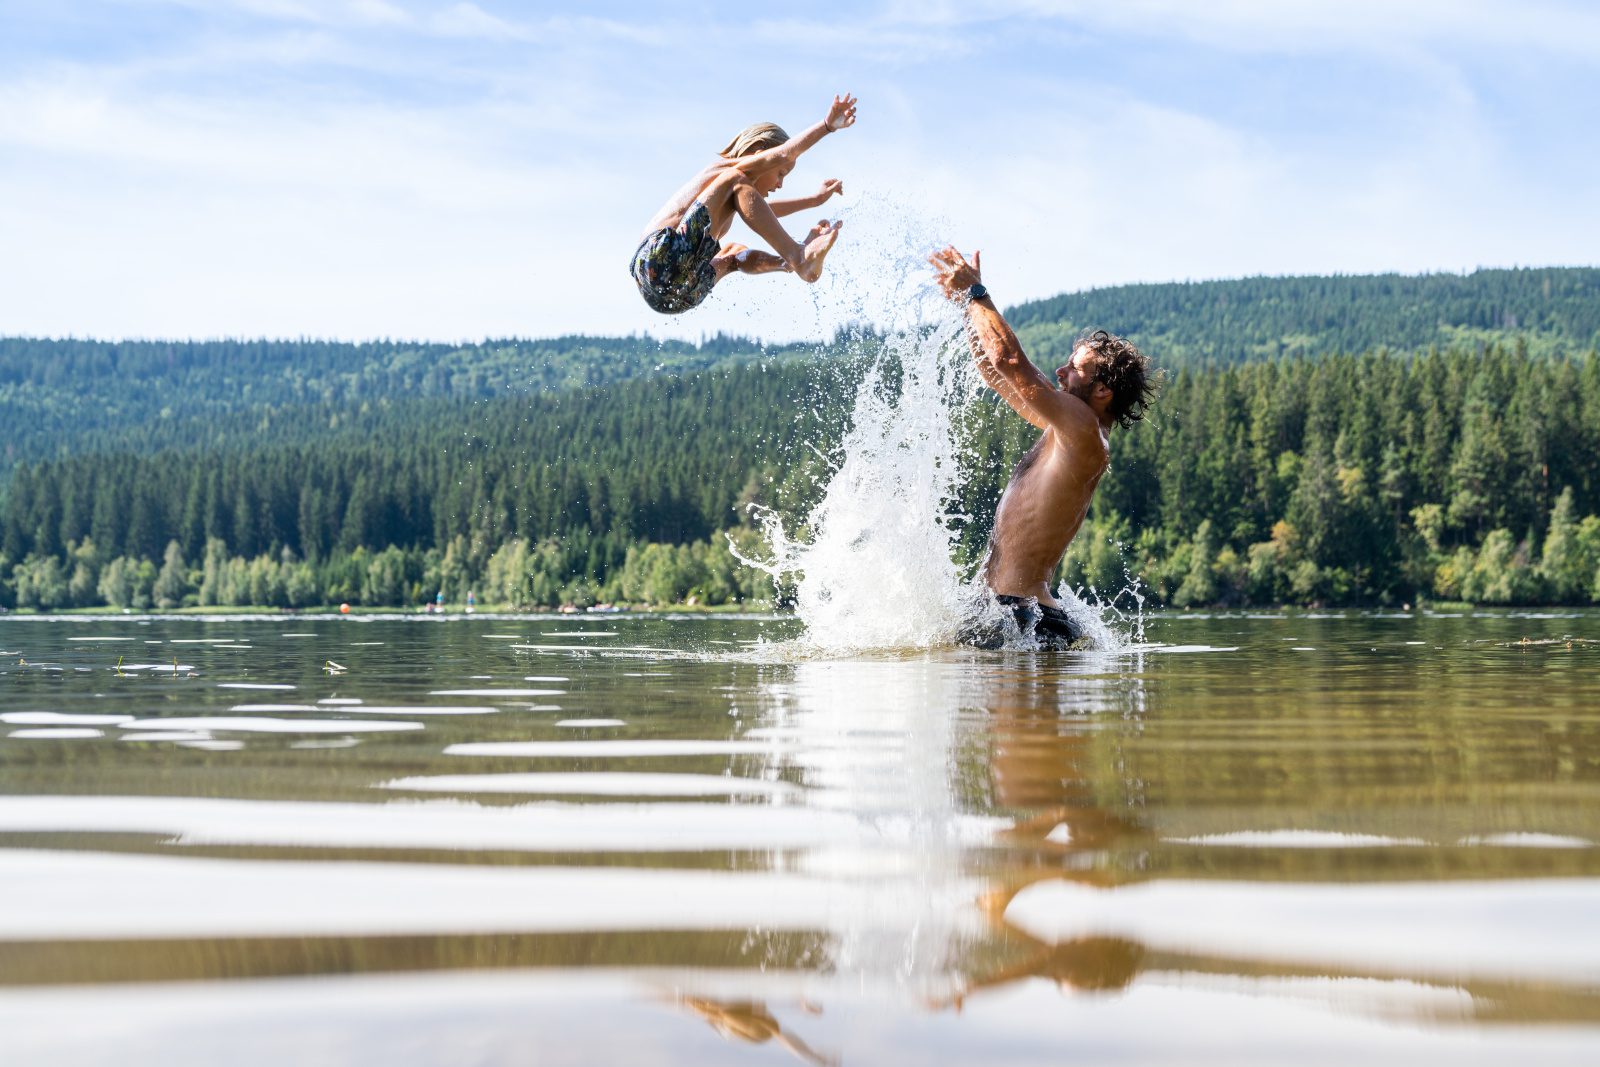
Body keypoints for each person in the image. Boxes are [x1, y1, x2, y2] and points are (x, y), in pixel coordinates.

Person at [930, 246, 1157, 649]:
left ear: (1102, 390)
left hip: (1019, 615)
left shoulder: (1084, 431)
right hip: (1010, 612)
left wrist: (978, 292)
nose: (1061, 371)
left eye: (1075, 368)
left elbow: (1009, 359)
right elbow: (995, 372)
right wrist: (968, 306)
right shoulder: (1068, 430)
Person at [630, 94, 858, 315]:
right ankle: (798, 258)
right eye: (780, 173)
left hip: (680, 293)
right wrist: (827, 126)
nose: (780, 184)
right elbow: (783, 154)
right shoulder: (726, 171)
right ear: (760, 154)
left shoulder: (727, 200)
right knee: (735, 179)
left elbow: (765, 212)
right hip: (657, 258)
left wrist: (814, 200)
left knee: (733, 255)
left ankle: (786, 263)